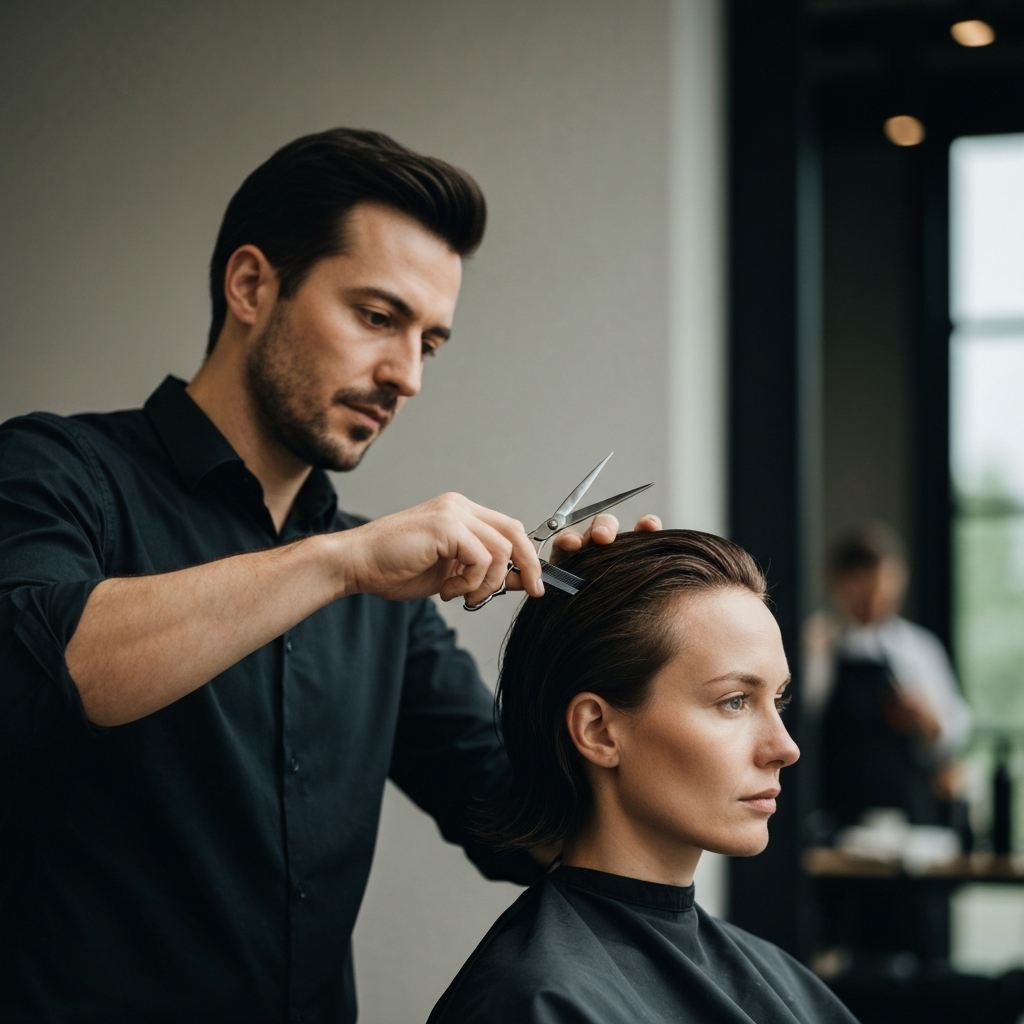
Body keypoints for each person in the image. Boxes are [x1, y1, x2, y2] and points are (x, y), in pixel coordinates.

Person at [0, 128, 657, 1024]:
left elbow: (523, 829)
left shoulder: (381, 595)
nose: (407, 376)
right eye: (379, 317)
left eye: (430, 341)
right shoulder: (56, 470)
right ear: (251, 286)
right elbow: (40, 668)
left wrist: (594, 649)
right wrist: (337, 562)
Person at [428, 530, 859, 1024]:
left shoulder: (785, 983)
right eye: (734, 701)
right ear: (599, 731)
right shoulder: (537, 1001)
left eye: (778, 700)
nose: (785, 747)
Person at [804, 524, 972, 828]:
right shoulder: (817, 645)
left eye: (886, 592)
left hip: (907, 811)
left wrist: (927, 718)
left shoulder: (917, 648)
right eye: (866, 591)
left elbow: (952, 731)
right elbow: (800, 715)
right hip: (835, 812)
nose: (876, 602)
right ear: (839, 582)